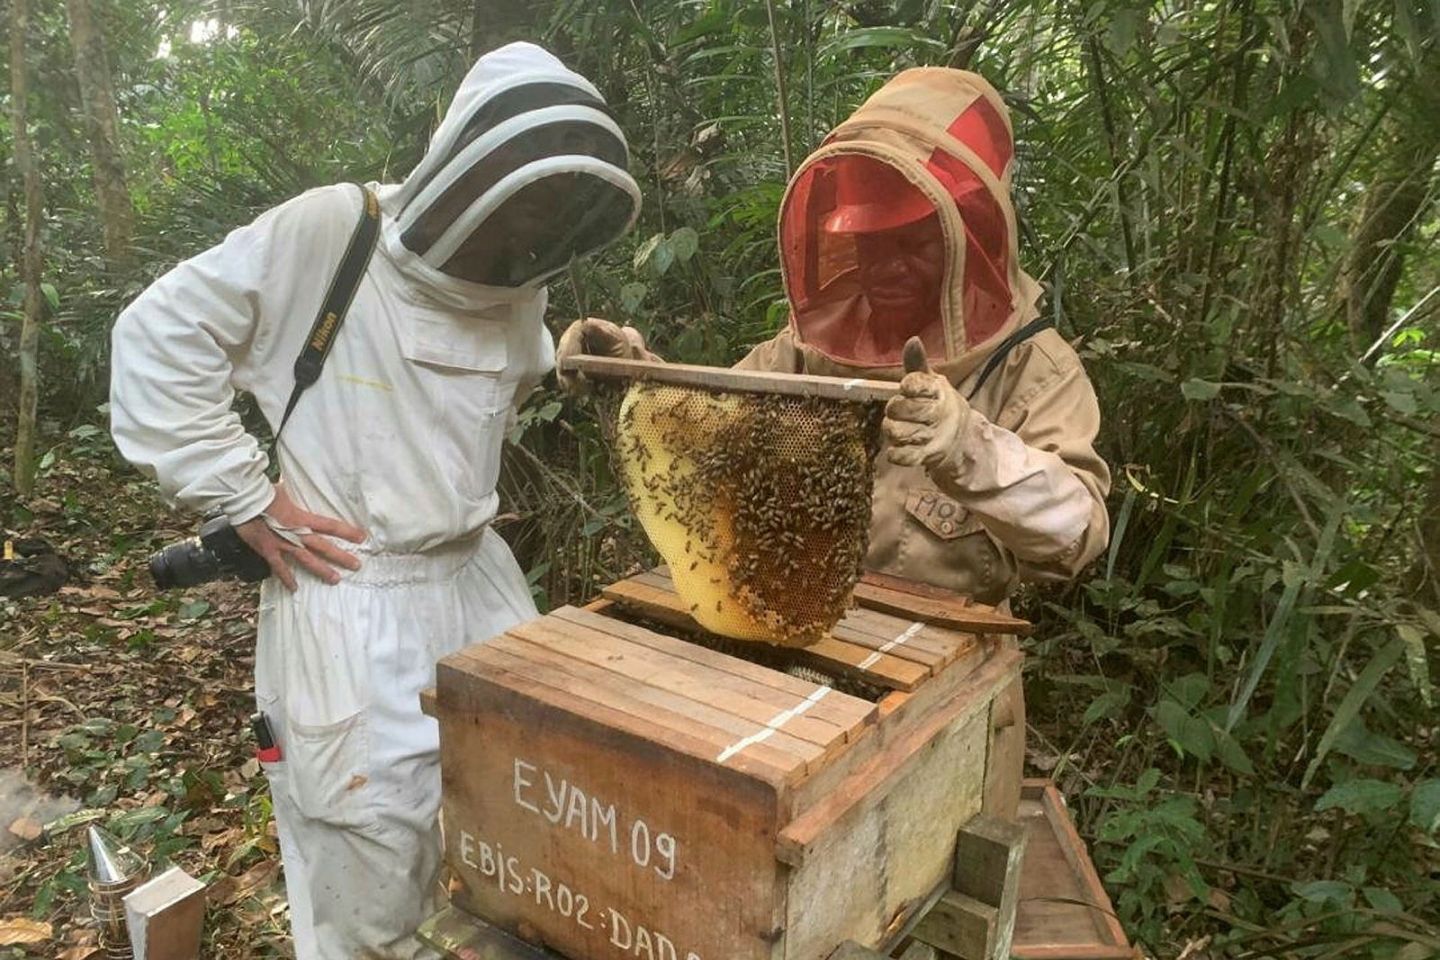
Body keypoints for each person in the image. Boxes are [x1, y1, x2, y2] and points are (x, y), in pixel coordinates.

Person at [109, 42, 641, 959]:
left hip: (479, 586)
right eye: (521, 203)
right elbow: (155, 340)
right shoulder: (332, 233)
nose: (527, 228)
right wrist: (244, 491)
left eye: (548, 213)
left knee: (501, 848)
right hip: (351, 594)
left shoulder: (516, 277)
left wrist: (575, 346)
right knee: (368, 877)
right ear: (467, 170)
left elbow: (492, 379)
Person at [559, 67, 1110, 606]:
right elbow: (709, 418)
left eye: (911, 241)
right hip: (789, 625)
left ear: (965, 235)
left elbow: (1078, 538)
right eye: (870, 243)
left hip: (944, 661)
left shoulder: (1035, 368)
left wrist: (969, 447)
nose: (885, 267)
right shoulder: (814, 343)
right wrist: (633, 373)